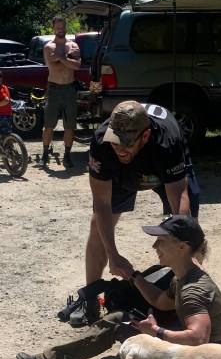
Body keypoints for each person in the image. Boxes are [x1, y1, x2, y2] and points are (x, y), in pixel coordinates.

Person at [16, 214, 221, 359]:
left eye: (161, 241)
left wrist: (156, 332)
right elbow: (160, 302)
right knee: (119, 320)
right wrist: (132, 275)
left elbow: (198, 338)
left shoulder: (193, 290)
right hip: (192, 355)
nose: (155, 246)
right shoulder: (182, 276)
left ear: (182, 247)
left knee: (136, 357)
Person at [75, 100, 201, 326]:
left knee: (188, 233)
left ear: (145, 136)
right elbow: (102, 204)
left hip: (161, 168)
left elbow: (180, 203)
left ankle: (187, 295)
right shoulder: (103, 142)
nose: (120, 149)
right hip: (122, 174)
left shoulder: (166, 142)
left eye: (126, 143)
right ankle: (91, 299)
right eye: (116, 142)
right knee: (97, 226)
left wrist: (180, 248)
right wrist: (113, 254)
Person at [42, 16, 81, 169]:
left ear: (66, 26)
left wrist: (61, 57)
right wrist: (68, 58)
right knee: (49, 124)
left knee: (70, 125)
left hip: (69, 88)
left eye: (62, 26)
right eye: (57, 26)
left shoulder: (73, 45)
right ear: (53, 28)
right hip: (54, 89)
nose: (60, 29)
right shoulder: (49, 47)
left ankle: (67, 156)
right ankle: (45, 154)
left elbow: (77, 66)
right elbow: (56, 67)